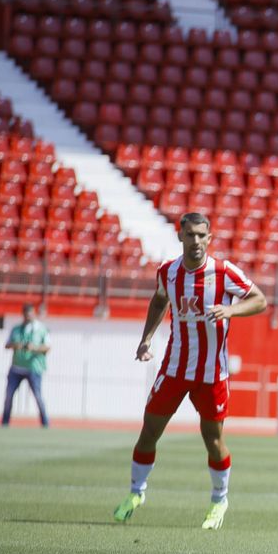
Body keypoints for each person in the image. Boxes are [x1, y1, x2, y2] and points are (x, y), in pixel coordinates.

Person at [113, 212, 267, 530]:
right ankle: (135, 493)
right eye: (190, 235)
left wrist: (231, 309)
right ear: (180, 236)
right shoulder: (168, 272)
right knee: (149, 431)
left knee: (212, 439)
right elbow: (159, 302)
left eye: (201, 235)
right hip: (174, 368)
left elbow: (260, 300)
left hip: (212, 374)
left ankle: (218, 499)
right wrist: (146, 339)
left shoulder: (224, 272)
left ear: (209, 238)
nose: (196, 241)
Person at [1, 302, 50, 427]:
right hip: (16, 368)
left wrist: (34, 347)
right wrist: (17, 345)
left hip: (34, 368)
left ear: (34, 314)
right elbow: (7, 345)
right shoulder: (16, 329)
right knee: (9, 396)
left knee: (38, 397)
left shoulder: (41, 329)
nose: (28, 316)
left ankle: (45, 423)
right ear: (23, 314)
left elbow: (47, 347)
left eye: (31, 314)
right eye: (26, 314)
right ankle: (5, 423)